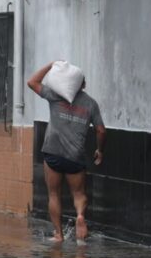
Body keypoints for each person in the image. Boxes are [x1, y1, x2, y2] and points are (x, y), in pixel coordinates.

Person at [27, 61, 106, 243]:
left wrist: (50, 65)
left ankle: (58, 234)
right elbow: (101, 131)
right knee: (78, 194)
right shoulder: (90, 104)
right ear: (83, 85)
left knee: (53, 194)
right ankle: (79, 215)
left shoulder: (55, 96)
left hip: (53, 154)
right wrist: (99, 150)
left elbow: (32, 82)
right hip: (75, 157)